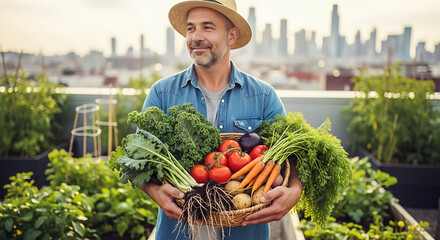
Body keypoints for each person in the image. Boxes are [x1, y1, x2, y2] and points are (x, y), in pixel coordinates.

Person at [138, 0, 303, 239]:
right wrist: (153, 190)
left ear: (232, 36)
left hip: (246, 231)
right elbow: (138, 159)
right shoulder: (162, 94)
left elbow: (293, 159)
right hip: (178, 231)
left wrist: (294, 191)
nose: (196, 37)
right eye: (191, 28)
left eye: (207, 27)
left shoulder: (264, 96)